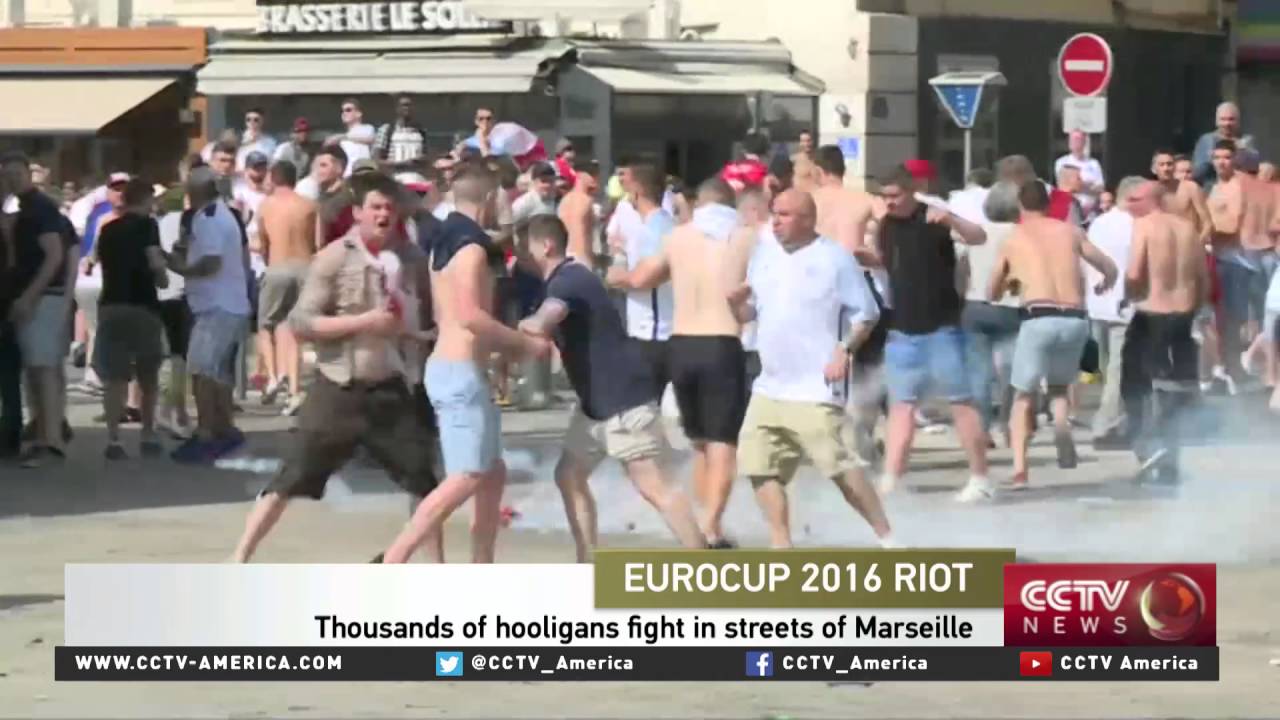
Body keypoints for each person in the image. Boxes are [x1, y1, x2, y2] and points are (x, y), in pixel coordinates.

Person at [231, 172, 442, 563]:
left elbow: (424, 316)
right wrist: (364, 323)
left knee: (427, 484)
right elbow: (301, 323)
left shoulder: (411, 259)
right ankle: (240, 556)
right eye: (375, 207)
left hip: (392, 389)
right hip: (338, 388)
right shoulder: (333, 257)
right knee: (291, 476)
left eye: (390, 209)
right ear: (358, 213)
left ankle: (436, 572)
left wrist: (420, 335)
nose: (383, 215)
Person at [379, 166, 550, 564]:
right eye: (502, 198)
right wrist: (525, 344)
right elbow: (471, 316)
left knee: (491, 473)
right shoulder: (469, 250)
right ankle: (394, 559)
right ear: (491, 199)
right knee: (466, 476)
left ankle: (481, 568)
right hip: (457, 373)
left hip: (459, 370)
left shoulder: (447, 241)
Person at [518, 215, 706, 560]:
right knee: (569, 475)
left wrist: (523, 325)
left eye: (526, 246)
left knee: (654, 486)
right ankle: (586, 560)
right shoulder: (574, 274)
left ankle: (702, 559)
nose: (522, 256)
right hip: (596, 407)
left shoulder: (565, 283)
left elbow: (548, 317)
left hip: (623, 402)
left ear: (545, 246)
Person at [725, 189, 895, 548]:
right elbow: (751, 314)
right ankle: (781, 543)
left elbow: (867, 313)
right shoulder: (764, 256)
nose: (776, 221)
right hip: (769, 385)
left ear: (807, 219)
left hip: (815, 386)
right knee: (758, 465)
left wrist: (843, 351)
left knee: (840, 467)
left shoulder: (835, 258)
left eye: (785, 215)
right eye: (774, 213)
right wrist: (735, 306)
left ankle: (887, 538)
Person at [607, 178, 751, 549]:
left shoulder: (678, 238)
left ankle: (704, 517)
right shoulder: (745, 237)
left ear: (698, 204)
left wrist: (617, 262)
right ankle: (710, 526)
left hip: (681, 346)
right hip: (722, 343)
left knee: (701, 442)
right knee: (723, 444)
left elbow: (638, 280)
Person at [861, 165, 991, 502]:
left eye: (895, 196)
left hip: (942, 329)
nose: (888, 202)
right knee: (901, 407)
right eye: (884, 196)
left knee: (961, 403)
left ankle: (980, 478)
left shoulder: (934, 218)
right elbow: (887, 265)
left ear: (911, 191)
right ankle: (892, 478)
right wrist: (866, 257)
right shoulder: (885, 226)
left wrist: (951, 222)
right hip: (901, 331)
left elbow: (979, 237)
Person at [989, 181, 1117, 488]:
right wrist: (1104, 284)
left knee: (1023, 397)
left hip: (1038, 317)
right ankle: (1061, 424)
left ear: (1020, 205)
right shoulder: (1070, 230)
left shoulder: (1014, 236)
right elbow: (1108, 266)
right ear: (1048, 204)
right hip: (1074, 318)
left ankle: (1020, 470)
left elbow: (992, 289)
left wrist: (1009, 286)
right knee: (1059, 387)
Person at [1121, 181, 1210, 485]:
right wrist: (1195, 309)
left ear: (1152, 200)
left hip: (1152, 314)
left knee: (1138, 384)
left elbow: (1134, 273)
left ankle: (1148, 445)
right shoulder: (1188, 229)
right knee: (1178, 385)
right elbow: (1203, 278)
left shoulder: (1145, 226)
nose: (1129, 204)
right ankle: (1171, 455)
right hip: (1184, 315)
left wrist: (1128, 295)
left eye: (1135, 198)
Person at [165, 167, 252, 463]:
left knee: (202, 371)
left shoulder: (211, 217)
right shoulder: (216, 215)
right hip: (225, 304)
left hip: (217, 306)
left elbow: (211, 263)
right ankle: (224, 429)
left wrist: (179, 268)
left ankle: (207, 433)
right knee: (217, 372)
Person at [91, 178, 170, 460]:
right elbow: (153, 260)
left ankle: (114, 439)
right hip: (142, 305)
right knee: (147, 375)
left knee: (115, 377)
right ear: (145, 199)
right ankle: (147, 435)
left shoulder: (108, 229)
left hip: (111, 305)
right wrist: (162, 277)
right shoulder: (148, 226)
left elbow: (98, 260)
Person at [1, 152, 69, 468]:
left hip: (43, 298)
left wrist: (30, 296)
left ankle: (51, 442)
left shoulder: (40, 207)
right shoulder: (26, 208)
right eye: (7, 174)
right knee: (39, 371)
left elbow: (55, 254)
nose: (12, 179)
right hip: (41, 296)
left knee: (43, 371)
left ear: (29, 174)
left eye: (17, 173)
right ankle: (46, 435)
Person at [957, 181, 1022, 447]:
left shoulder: (975, 233)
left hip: (975, 306)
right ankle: (1004, 424)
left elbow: (961, 270)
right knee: (1010, 372)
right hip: (1011, 306)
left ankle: (981, 428)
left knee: (978, 373)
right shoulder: (1021, 234)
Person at [605, 161, 675, 401]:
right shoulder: (650, 225)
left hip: (656, 334)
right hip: (645, 331)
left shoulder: (658, 226)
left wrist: (617, 273)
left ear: (638, 190)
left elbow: (645, 279)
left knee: (648, 411)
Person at [1087, 176, 1147, 449]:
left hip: (1098, 304)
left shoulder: (1099, 222)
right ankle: (1107, 424)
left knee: (1107, 364)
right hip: (1124, 303)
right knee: (1118, 368)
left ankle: (1116, 419)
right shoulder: (1136, 224)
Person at [256, 160, 317, 415]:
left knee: (264, 324)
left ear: (273, 177)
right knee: (294, 330)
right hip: (305, 266)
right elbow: (318, 243)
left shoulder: (266, 206)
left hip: (278, 266)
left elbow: (263, 243)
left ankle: (272, 376)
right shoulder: (309, 206)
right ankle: (293, 389)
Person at [1206, 140, 1260, 385]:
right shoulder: (1215, 186)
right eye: (1217, 157)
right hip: (1217, 257)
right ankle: (1225, 365)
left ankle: (1235, 366)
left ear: (1234, 158)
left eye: (1226, 157)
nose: (1221, 162)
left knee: (1234, 318)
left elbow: (1232, 224)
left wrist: (1204, 230)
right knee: (1217, 318)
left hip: (1236, 261)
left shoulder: (1237, 186)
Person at [812, 146, 875, 255]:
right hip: (852, 266)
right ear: (844, 170)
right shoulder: (866, 199)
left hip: (816, 266)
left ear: (818, 171)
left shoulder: (807, 201)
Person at [1192, 102, 1260, 186]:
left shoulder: (1246, 139)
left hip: (1241, 187)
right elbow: (1198, 172)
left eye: (1231, 119)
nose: (1227, 123)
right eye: (1223, 119)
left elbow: (1254, 166)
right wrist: (1214, 158)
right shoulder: (1207, 140)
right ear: (1216, 121)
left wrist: (1241, 152)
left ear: (1238, 121)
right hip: (1213, 186)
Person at [1151, 149, 1212, 241]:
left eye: (1169, 164)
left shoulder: (1190, 188)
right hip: (1164, 246)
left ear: (1174, 167)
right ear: (1154, 169)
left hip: (1189, 243)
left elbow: (1207, 223)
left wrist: (1198, 243)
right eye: (1162, 165)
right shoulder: (1150, 192)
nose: (1166, 168)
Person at [1054, 130, 1105, 220]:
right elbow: (1065, 187)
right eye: (1073, 139)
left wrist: (1078, 184)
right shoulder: (1061, 162)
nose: (1075, 142)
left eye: (1078, 139)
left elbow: (1100, 188)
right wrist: (1089, 185)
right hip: (1070, 210)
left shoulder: (1094, 163)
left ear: (1084, 141)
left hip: (1091, 213)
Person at [559, 159, 601, 267]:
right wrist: (588, 262)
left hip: (564, 256)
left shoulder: (564, 200)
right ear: (579, 175)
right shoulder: (586, 200)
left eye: (596, 174)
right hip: (581, 257)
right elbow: (582, 234)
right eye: (591, 174)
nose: (595, 178)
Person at [313, 146, 355, 248]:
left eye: (323, 165)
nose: (317, 171)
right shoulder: (322, 197)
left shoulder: (345, 199)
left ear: (339, 169)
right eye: (316, 166)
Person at [374, 94, 429, 171]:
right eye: (404, 105)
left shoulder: (421, 130)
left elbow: (426, 156)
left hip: (416, 177)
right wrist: (401, 164)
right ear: (397, 108)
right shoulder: (387, 129)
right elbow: (377, 160)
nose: (407, 108)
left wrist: (422, 160)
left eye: (410, 105)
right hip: (395, 177)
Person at [336, 99, 376, 178]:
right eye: (342, 111)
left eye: (348, 110)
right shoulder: (342, 139)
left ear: (358, 113)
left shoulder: (367, 128)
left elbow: (369, 138)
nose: (344, 113)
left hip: (364, 175)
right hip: (347, 177)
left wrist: (342, 137)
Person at [235, 108, 278, 173]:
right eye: (248, 119)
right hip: (240, 180)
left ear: (262, 121)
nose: (251, 122)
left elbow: (273, 164)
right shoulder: (237, 139)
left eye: (256, 120)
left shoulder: (270, 142)